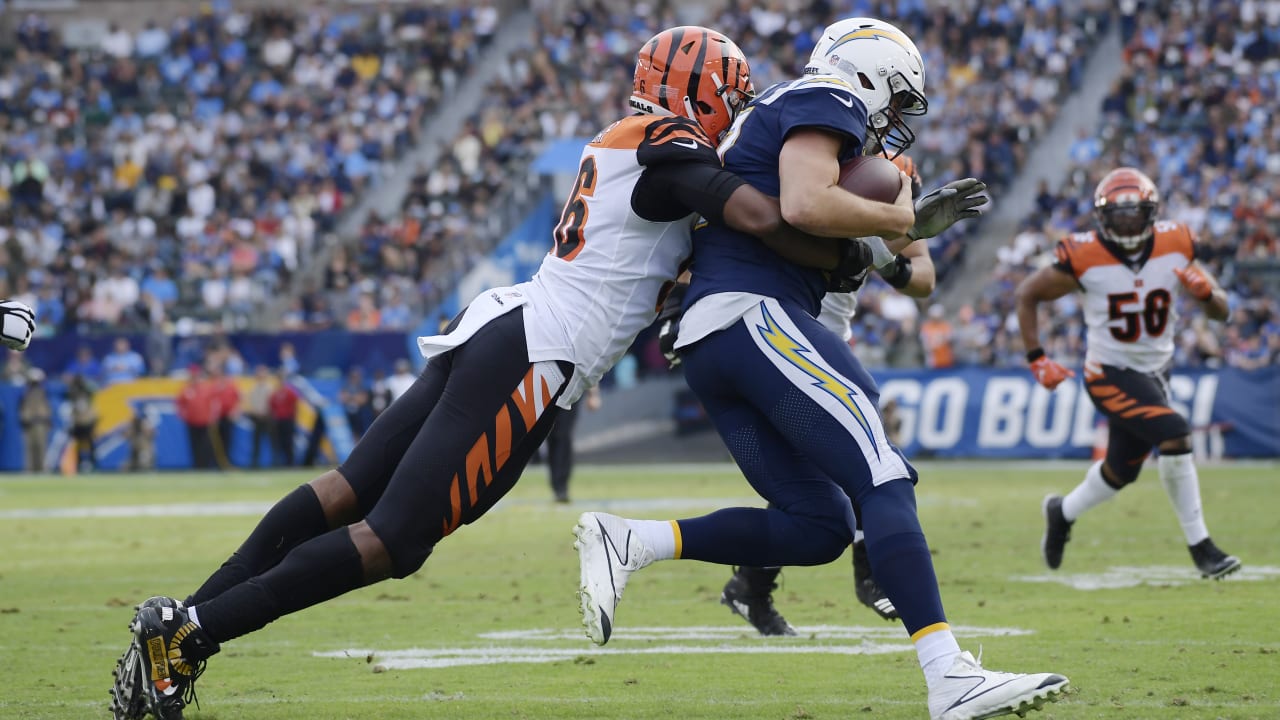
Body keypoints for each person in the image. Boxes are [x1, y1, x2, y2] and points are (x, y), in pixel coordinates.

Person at [109, 27, 879, 720]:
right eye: (733, 98)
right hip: (536, 352)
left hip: (505, 327)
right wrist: (855, 244)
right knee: (391, 540)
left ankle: (178, 635)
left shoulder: (634, 137)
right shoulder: (667, 140)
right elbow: (753, 216)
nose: (737, 115)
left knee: (347, 491)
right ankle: (191, 634)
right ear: (700, 87)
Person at [573, 18, 1067, 720]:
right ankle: (949, 674)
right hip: (756, 315)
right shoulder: (824, 95)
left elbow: (839, 229)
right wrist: (898, 227)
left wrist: (895, 235)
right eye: (894, 101)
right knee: (883, 469)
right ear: (865, 74)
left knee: (819, 524)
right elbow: (804, 203)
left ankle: (634, 540)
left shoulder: (792, 119)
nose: (893, 122)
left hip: (721, 339)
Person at [713, 152, 980, 632]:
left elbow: (923, 277)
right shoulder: (809, 171)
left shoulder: (894, 175)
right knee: (867, 460)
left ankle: (750, 586)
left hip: (830, 337)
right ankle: (870, 574)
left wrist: (885, 255)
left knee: (825, 479)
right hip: (778, 331)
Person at [1013, 166, 1240, 579]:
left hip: (1157, 372)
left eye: (1135, 213)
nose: (1127, 222)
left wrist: (1208, 295)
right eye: (1118, 215)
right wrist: (1036, 357)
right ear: (1102, 218)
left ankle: (1061, 512)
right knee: (1175, 432)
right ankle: (1201, 546)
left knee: (1120, 472)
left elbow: (1221, 311)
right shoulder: (1082, 255)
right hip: (1108, 372)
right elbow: (1027, 294)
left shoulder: (1176, 242)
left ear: (1151, 212)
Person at [545, 385, 601, 503]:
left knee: (563, 435)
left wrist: (593, 394)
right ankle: (557, 485)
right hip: (550, 388)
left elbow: (589, 367)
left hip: (572, 388)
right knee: (552, 435)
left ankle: (561, 486)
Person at [19, 368, 52, 472]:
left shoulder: (42, 393)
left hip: (40, 422)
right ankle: (30, 469)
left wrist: (46, 419)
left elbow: (46, 409)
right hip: (30, 423)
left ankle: (42, 469)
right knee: (29, 448)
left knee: (41, 447)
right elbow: (24, 409)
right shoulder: (26, 394)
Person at [269, 369, 299, 467]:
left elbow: (295, 405)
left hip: (288, 419)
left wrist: (293, 417)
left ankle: (290, 462)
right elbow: (272, 406)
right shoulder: (274, 394)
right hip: (278, 420)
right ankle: (279, 463)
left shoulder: (289, 392)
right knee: (278, 442)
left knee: (288, 441)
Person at [245, 365, 274, 468]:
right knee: (256, 442)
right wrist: (256, 412)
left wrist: (266, 412)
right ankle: (255, 463)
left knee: (271, 441)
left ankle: (274, 462)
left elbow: (271, 403)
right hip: (256, 418)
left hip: (267, 418)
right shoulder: (254, 388)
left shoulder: (270, 388)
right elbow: (251, 403)